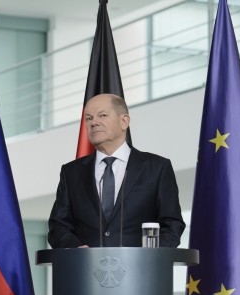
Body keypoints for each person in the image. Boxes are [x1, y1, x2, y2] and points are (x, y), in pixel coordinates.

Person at [48, 94, 185, 248]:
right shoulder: (71, 172)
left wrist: (151, 257)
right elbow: (58, 227)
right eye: (88, 118)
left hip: (141, 269)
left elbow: (172, 224)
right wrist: (76, 251)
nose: (94, 123)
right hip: (86, 269)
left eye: (102, 115)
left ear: (124, 121)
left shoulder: (157, 167)